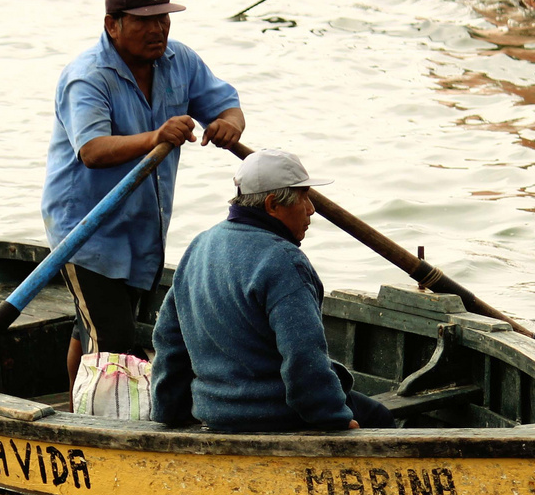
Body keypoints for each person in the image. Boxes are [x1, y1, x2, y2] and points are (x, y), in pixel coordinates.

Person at [42, 0, 245, 383]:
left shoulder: (180, 60)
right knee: (113, 346)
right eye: (143, 20)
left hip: (145, 231)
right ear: (112, 25)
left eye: (163, 19)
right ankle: (93, 428)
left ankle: (74, 404)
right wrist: (156, 136)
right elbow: (92, 150)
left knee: (93, 330)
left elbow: (227, 105)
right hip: (87, 230)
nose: (157, 30)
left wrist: (229, 124)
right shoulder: (87, 76)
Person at [151, 149, 395, 433]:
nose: (311, 209)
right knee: (380, 419)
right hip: (275, 413)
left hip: (214, 412)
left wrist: (170, 411)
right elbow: (303, 358)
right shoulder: (283, 260)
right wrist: (331, 417)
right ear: (271, 205)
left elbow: (169, 341)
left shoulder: (199, 245)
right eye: (303, 197)